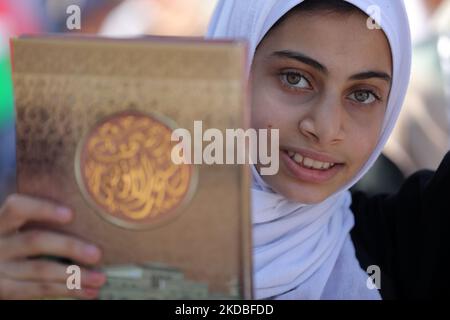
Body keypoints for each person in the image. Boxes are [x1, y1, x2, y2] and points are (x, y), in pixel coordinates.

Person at [0, 0, 449, 300]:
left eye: (364, 94)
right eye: (295, 78)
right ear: (235, 65)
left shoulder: (404, 245)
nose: (326, 128)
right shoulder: (89, 240)